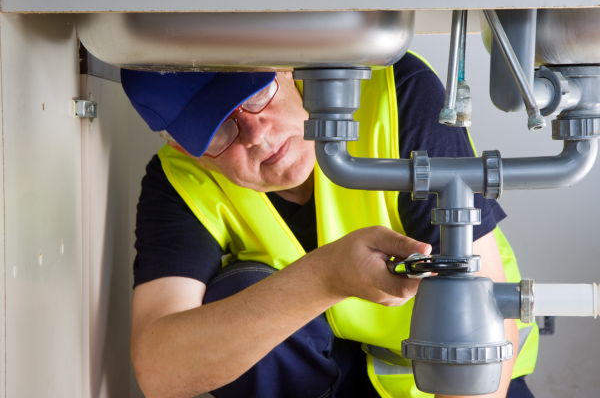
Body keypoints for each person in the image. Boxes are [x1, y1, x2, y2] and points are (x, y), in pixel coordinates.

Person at [123, 52, 538, 398]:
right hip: (328, 384)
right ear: (182, 146)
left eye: (256, 94)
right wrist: (323, 277)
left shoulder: (395, 93)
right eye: (216, 130)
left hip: (467, 376)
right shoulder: (180, 181)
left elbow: (481, 303)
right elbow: (161, 367)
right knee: (238, 294)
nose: (254, 134)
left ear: (286, 68)